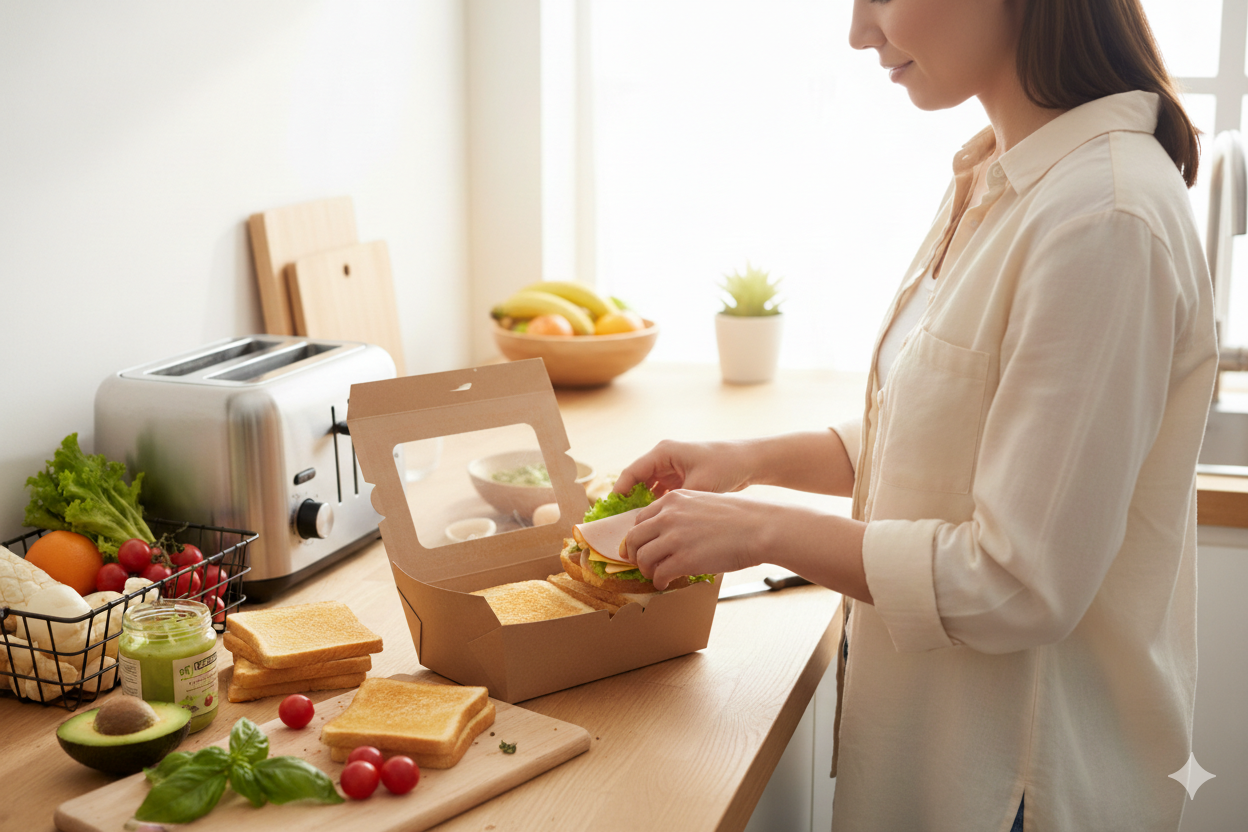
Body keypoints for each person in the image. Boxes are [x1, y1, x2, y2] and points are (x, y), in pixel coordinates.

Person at [611, 0, 1217, 830]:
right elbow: (955, 431)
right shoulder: (1004, 175)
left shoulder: (1103, 219)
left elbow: (1017, 584)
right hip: (939, 762)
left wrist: (758, 529)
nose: (860, 32)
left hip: (1014, 791)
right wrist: (748, 458)